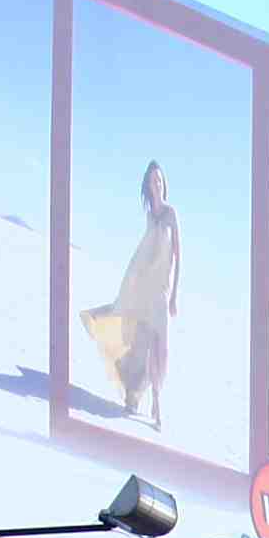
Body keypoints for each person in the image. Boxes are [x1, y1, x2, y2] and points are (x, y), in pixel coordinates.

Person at [80, 158, 181, 426]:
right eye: (153, 181)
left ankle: (154, 399)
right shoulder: (150, 216)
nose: (157, 184)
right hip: (145, 288)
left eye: (160, 180)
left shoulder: (171, 213)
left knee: (162, 348)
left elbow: (178, 255)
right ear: (148, 186)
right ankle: (150, 401)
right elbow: (145, 251)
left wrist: (174, 294)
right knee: (143, 345)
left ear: (164, 183)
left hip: (162, 291)